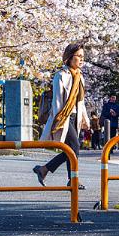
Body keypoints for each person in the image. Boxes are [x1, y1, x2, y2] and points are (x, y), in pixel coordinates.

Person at [33, 43, 90, 189]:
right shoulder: (61, 75)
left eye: (83, 56)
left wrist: (85, 119)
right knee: (74, 147)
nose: (81, 59)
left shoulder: (80, 77)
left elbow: (80, 101)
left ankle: (45, 169)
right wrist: (59, 120)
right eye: (79, 56)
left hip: (75, 117)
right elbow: (57, 101)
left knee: (70, 149)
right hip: (63, 116)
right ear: (70, 57)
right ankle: (71, 179)